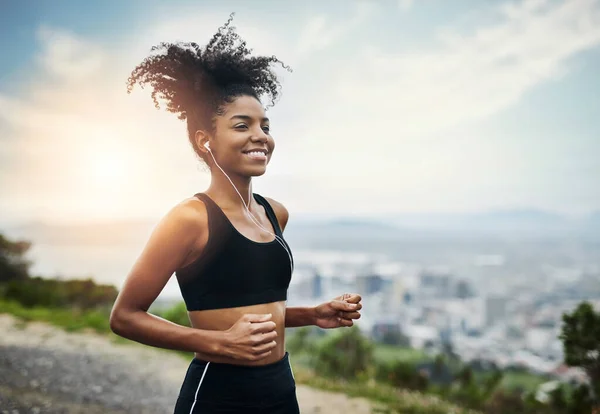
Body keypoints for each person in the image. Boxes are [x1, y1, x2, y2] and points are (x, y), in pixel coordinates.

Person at [109, 14, 363, 414]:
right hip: (218, 396)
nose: (260, 135)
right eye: (242, 125)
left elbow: (257, 309)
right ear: (205, 140)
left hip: (281, 390)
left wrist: (312, 314)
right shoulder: (190, 218)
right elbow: (124, 317)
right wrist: (215, 343)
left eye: (265, 124)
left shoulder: (275, 212)